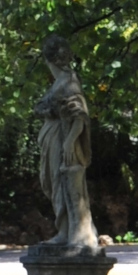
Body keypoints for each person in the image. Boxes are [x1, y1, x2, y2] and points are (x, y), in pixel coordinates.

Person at [34, 34, 100, 254]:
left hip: (62, 140)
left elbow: (79, 114)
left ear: (48, 59)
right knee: (54, 184)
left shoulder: (69, 81)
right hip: (54, 139)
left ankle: (72, 232)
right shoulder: (59, 82)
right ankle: (64, 230)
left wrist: (70, 142)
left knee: (63, 184)